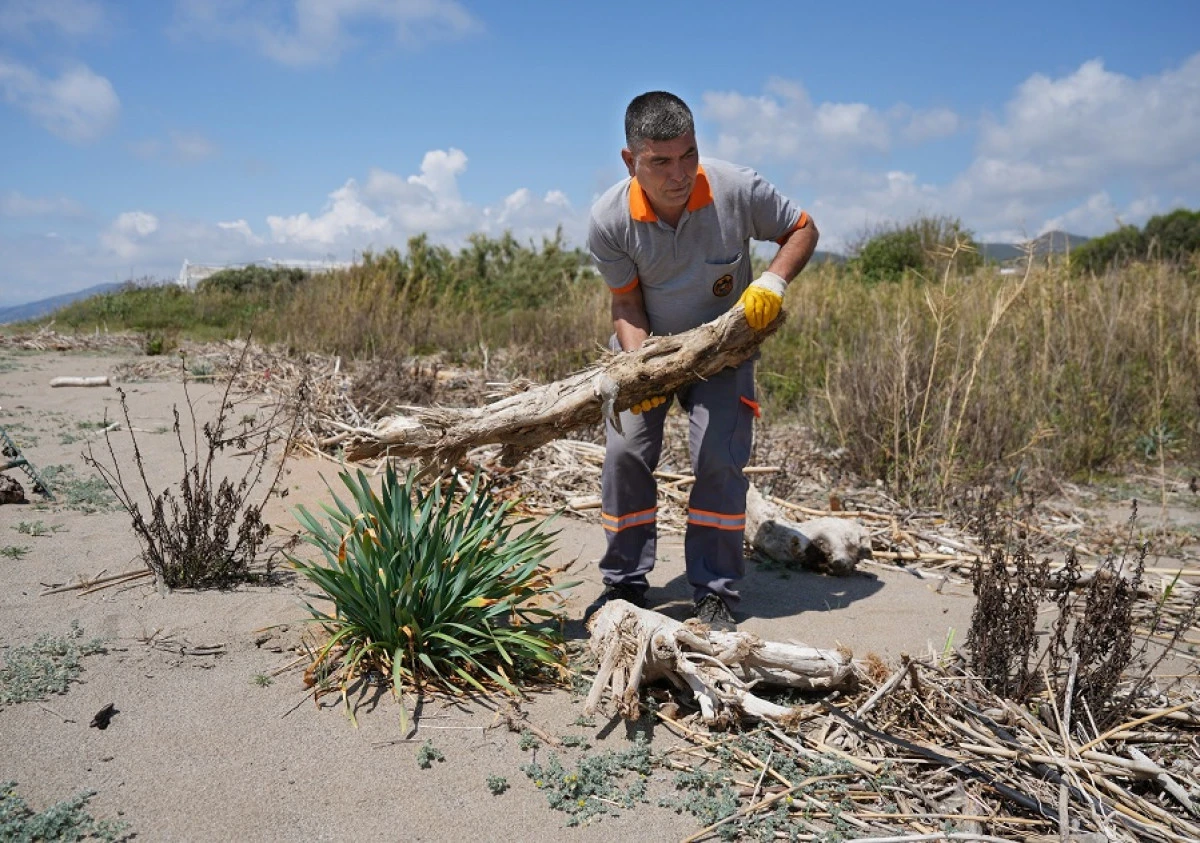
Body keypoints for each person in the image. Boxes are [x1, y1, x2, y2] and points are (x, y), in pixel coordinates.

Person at [584, 90, 819, 630]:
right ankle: (623, 586)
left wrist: (773, 282)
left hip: (723, 351)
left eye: (687, 155)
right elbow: (625, 302)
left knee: (718, 456)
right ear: (630, 161)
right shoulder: (609, 220)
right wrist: (644, 367)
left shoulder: (735, 188)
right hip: (649, 346)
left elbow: (803, 228)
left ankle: (715, 593)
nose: (678, 173)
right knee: (625, 456)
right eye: (659, 161)